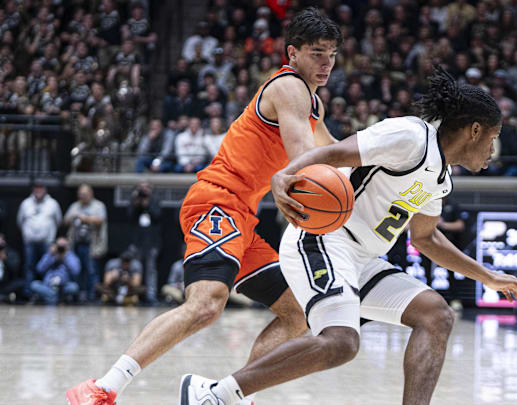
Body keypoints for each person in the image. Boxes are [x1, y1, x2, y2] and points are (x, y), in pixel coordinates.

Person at [179, 66, 517, 405]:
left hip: (361, 259)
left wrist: (489, 277)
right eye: (493, 140)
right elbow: (335, 151)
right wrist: (287, 174)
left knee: (436, 315)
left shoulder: (441, 180)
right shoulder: (410, 136)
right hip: (323, 239)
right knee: (342, 342)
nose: (493, 151)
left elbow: (426, 238)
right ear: (475, 130)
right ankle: (215, 395)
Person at [66, 8, 342, 404]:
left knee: (299, 311)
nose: (326, 63)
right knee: (207, 303)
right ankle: (103, 387)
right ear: (293, 53)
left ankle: (225, 395)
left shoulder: (314, 103)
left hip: (242, 215)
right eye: (318, 52)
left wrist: (381, 159)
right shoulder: (288, 88)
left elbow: (335, 152)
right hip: (217, 200)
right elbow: (307, 157)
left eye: (332, 54)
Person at [16, 184, 62, 299]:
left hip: (47, 242)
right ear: (33, 190)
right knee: (29, 267)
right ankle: (28, 294)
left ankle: (45, 294)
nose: (38, 191)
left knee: (47, 267)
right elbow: (19, 221)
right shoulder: (26, 203)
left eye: (41, 188)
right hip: (30, 242)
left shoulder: (53, 203)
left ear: (45, 190)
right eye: (36, 188)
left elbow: (59, 221)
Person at [64, 184, 107, 302]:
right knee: (77, 270)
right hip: (77, 244)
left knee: (92, 271)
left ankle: (93, 296)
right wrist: (73, 217)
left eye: (84, 194)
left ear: (91, 194)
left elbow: (100, 220)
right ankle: (78, 296)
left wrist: (86, 219)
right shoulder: (75, 206)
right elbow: (65, 220)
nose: (82, 197)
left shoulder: (98, 206)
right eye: (80, 195)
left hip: (91, 245)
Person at [127, 182, 162, 303]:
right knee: (136, 268)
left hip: (151, 242)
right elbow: (130, 216)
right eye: (141, 188)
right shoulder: (135, 201)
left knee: (151, 269)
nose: (144, 190)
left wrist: (147, 205)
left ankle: (150, 295)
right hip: (137, 242)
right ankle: (136, 294)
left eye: (146, 187)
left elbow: (158, 216)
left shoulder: (155, 201)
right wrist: (136, 203)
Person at [30, 237, 80, 304]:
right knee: (34, 285)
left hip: (63, 287)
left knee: (74, 287)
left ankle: (51, 297)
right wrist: (50, 255)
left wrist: (66, 257)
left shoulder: (70, 256)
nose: (60, 249)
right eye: (59, 246)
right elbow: (39, 269)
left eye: (63, 246)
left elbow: (76, 271)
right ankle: (55, 297)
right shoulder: (50, 255)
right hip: (47, 285)